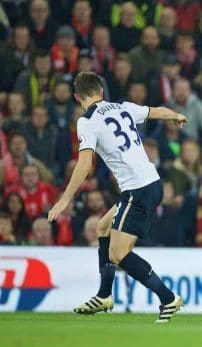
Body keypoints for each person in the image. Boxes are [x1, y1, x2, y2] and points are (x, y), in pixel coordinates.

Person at [47, 72, 187, 323]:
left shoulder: (87, 121)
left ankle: (168, 298)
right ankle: (104, 295)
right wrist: (176, 115)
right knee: (103, 227)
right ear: (101, 91)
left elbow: (84, 164)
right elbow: (158, 111)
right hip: (150, 183)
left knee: (118, 254)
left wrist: (65, 199)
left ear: (77, 97)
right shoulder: (123, 107)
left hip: (138, 190)